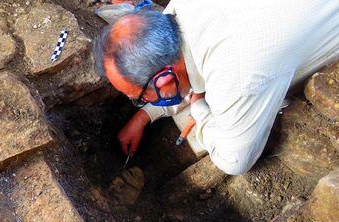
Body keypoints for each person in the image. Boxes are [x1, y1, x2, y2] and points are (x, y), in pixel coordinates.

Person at [93, 0, 339, 175]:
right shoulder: (179, 13)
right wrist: (144, 115)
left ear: (164, 81)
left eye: (138, 97)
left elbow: (235, 160)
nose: (140, 101)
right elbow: (178, 72)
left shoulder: (238, 74)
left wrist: (199, 108)